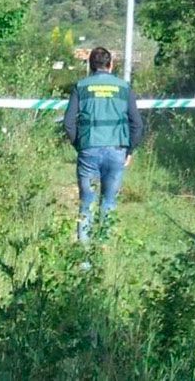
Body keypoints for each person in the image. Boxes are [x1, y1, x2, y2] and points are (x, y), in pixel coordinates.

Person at [63, 47, 145, 243]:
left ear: (90, 65)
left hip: (88, 150)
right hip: (117, 151)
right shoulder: (124, 88)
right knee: (108, 203)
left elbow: (68, 123)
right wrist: (129, 150)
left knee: (86, 204)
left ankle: (84, 261)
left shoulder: (81, 87)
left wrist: (80, 145)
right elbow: (138, 124)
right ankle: (103, 253)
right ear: (111, 65)